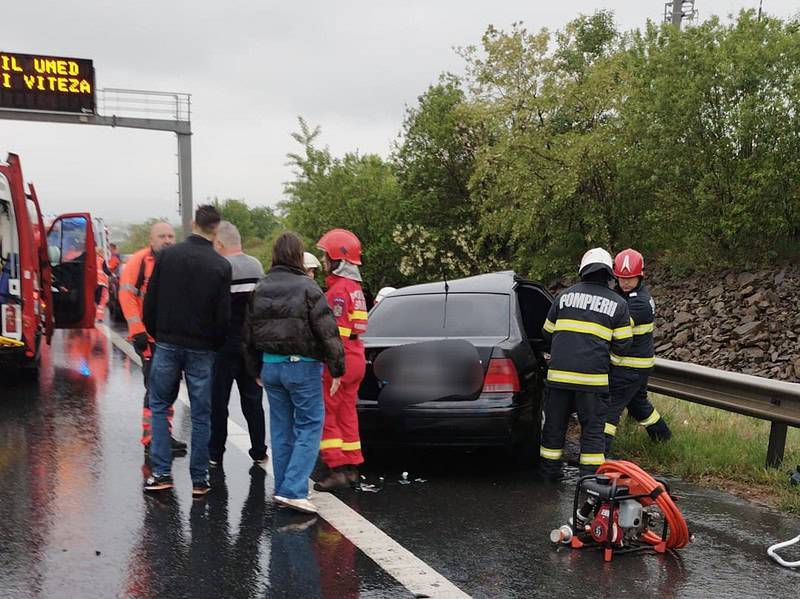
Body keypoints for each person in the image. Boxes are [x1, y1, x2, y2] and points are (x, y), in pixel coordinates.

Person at [243, 231, 344, 514]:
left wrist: (255, 369)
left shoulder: (260, 288)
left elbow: (247, 334)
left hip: (271, 366)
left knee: (281, 428)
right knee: (310, 425)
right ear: (299, 257)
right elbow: (327, 331)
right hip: (302, 366)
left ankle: (284, 487)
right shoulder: (308, 288)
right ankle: (293, 489)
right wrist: (337, 367)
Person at [142, 205, 232, 497]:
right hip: (202, 350)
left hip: (168, 343)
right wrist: (213, 344)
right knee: (201, 413)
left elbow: (150, 301)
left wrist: (158, 333)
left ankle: (161, 473)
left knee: (158, 405)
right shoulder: (220, 266)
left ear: (193, 223)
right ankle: (199, 479)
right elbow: (223, 317)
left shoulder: (168, 256)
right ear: (216, 229)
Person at [538, 248, 632, 479]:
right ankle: (589, 482)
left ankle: (548, 476)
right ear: (609, 274)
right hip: (593, 381)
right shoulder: (618, 304)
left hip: (559, 379)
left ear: (583, 270)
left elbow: (547, 333)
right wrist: (607, 364)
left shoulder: (564, 296)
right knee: (592, 433)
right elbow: (623, 344)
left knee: (554, 429)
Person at [119, 221, 186, 454]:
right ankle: (151, 439)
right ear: (151, 239)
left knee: (169, 388)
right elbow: (126, 296)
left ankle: (163, 434)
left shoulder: (175, 261)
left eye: (170, 236)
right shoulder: (140, 261)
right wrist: (137, 331)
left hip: (171, 338)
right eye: (162, 236)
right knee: (157, 388)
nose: (167, 240)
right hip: (148, 339)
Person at [208, 221, 267, 469]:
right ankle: (259, 449)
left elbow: (211, 310)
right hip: (251, 345)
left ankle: (215, 452)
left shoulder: (219, 268)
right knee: (252, 400)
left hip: (223, 345)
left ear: (220, 243)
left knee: (218, 401)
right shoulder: (256, 265)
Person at [314, 228, 368, 492]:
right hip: (357, 356)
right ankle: (351, 467)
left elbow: (334, 333)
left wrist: (332, 366)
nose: (323, 262)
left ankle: (335, 468)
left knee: (328, 413)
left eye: (326, 257)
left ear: (338, 259)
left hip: (341, 358)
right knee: (348, 412)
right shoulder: (356, 289)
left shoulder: (338, 291)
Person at [604, 248, 671, 453]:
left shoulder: (639, 303)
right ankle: (663, 439)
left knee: (609, 408)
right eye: (621, 278)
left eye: (629, 279)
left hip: (630, 365)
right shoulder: (625, 293)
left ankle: (598, 452)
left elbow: (615, 327)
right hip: (638, 364)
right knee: (638, 405)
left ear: (640, 276)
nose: (624, 283)